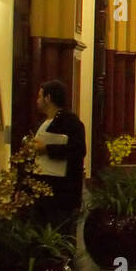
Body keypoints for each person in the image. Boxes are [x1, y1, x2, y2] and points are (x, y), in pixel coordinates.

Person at [28, 80, 87, 252]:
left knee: (62, 237)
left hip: (62, 192)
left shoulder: (70, 122)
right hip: (42, 189)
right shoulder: (42, 123)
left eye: (40, 96)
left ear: (48, 98)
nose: (37, 100)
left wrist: (47, 148)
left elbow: (78, 150)